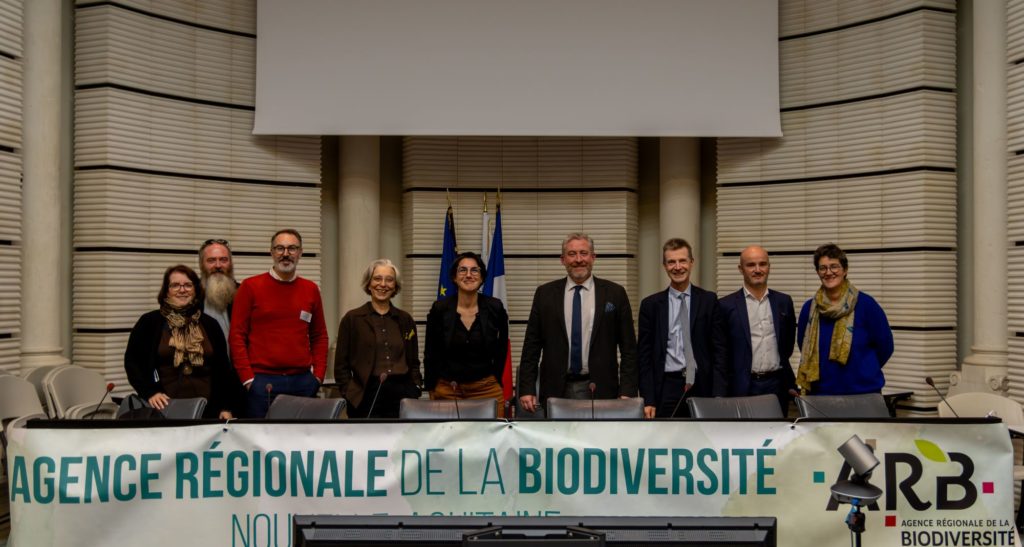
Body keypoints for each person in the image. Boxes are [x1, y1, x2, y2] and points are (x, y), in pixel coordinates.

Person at [518, 233, 637, 414]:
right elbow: (531, 346)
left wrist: (627, 390)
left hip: (601, 389)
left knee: (598, 441)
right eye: (572, 254)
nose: (578, 259)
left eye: (584, 253)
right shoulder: (545, 294)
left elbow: (629, 348)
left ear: (593, 257)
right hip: (556, 389)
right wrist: (527, 388)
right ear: (563, 259)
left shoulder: (615, 293)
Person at [229, 229, 329, 418]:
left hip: (303, 382)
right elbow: (236, 335)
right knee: (260, 443)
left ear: (300, 252)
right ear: (271, 252)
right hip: (262, 382)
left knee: (300, 442)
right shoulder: (250, 287)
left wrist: (318, 376)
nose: (285, 254)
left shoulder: (311, 289)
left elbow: (319, 336)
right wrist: (248, 378)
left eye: (292, 248)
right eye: (280, 248)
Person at [123, 265, 244, 419]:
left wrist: (225, 407)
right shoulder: (149, 322)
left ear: (195, 290)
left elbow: (223, 370)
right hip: (165, 410)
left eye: (188, 285)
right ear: (166, 290)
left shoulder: (210, 324)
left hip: (208, 410)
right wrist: (150, 392)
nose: (182, 290)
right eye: (175, 285)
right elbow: (133, 363)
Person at [638, 238, 727, 418]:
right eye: (671, 262)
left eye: (682, 261)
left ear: (691, 262)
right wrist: (648, 399)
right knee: (667, 442)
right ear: (664, 266)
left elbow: (720, 351)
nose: (677, 267)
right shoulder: (651, 305)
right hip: (666, 387)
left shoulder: (709, 301)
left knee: (704, 441)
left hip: (703, 386)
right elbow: (644, 357)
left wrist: (719, 394)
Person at [797, 243, 894, 395]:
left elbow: (885, 347)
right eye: (823, 268)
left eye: (834, 266)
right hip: (821, 394)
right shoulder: (809, 309)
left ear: (845, 270)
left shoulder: (866, 305)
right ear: (817, 272)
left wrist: (864, 369)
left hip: (863, 393)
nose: (828, 272)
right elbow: (803, 346)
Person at [334, 259, 423, 418]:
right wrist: (350, 393)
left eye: (389, 280)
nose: (383, 284)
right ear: (369, 284)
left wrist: (415, 387)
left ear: (395, 286)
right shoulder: (352, 319)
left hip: (402, 394)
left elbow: (413, 361)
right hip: (365, 394)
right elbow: (341, 366)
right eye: (377, 279)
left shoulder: (405, 319)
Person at [424, 252, 509, 416]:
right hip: (448, 390)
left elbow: (502, 349)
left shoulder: (495, 307)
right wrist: (431, 386)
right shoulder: (440, 309)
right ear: (454, 277)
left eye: (474, 270)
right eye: (462, 270)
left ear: (482, 277)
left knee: (491, 438)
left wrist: (496, 380)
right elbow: (431, 351)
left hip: (486, 389)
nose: (468, 275)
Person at [718, 245, 796, 413]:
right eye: (751, 265)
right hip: (742, 386)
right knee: (744, 436)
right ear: (741, 269)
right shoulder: (725, 306)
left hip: (777, 385)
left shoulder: (784, 302)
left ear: (769, 267)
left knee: (777, 436)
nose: (758, 269)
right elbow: (722, 353)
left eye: (763, 264)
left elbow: (787, 345)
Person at [198, 238, 238, 346]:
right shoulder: (191, 295)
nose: (218, 265)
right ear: (202, 264)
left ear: (230, 263)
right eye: (211, 260)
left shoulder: (243, 293)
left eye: (223, 260)